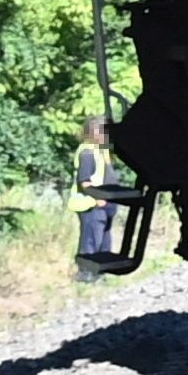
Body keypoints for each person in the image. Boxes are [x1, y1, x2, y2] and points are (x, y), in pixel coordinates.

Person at [74, 116, 132, 274]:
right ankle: (86, 275)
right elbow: (84, 182)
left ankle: (101, 274)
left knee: (104, 242)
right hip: (93, 205)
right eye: (107, 132)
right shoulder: (87, 152)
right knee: (91, 241)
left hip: (106, 203)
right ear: (95, 133)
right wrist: (98, 199)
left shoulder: (102, 150)